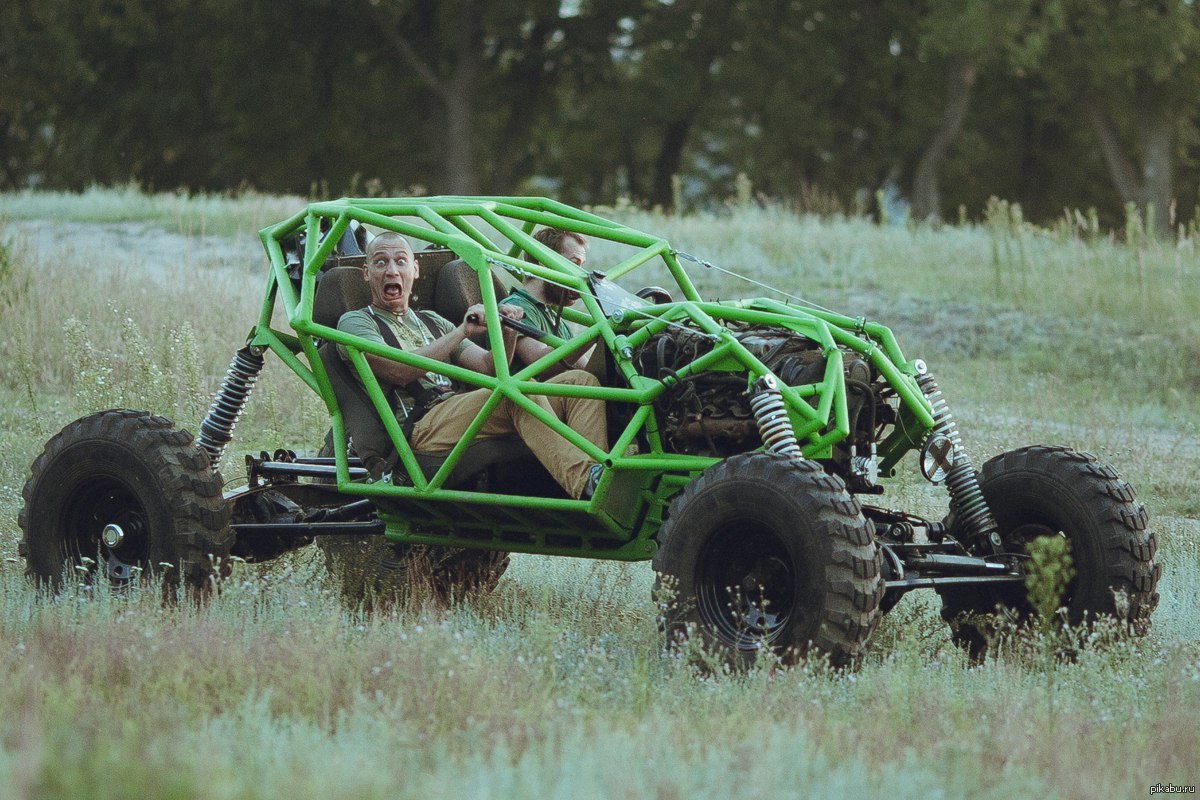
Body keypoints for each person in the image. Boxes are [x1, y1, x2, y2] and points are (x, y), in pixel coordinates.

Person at [337, 231, 606, 499]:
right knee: (517, 393)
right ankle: (586, 484)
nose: (392, 271)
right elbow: (398, 370)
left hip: (457, 411)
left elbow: (488, 367)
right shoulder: (356, 322)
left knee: (581, 385)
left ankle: (601, 472)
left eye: (401, 261)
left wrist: (507, 333)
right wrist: (461, 332)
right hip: (420, 426)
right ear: (366, 272)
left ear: (415, 269)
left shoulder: (432, 320)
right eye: (381, 262)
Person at [500, 227, 594, 376]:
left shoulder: (555, 319)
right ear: (543, 263)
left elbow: (589, 370)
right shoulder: (516, 307)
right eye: (573, 264)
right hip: (527, 396)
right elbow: (540, 362)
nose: (580, 275)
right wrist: (595, 334)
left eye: (581, 266)